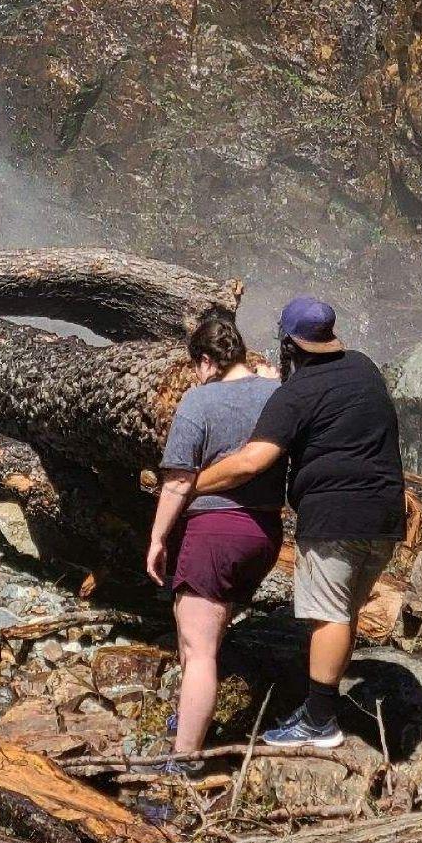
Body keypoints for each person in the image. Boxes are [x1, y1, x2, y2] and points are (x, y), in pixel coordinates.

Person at [194, 295, 403, 749]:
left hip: (335, 518)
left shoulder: (298, 392)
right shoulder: (364, 368)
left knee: (327, 616)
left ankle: (319, 722)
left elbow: (253, 460)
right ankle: (320, 707)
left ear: (290, 344)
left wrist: (193, 483)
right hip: (386, 516)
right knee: (343, 612)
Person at [145, 316, 284, 763]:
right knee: (213, 628)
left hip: (215, 531)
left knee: (198, 649)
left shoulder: (200, 402)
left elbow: (179, 482)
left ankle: (183, 760)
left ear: (206, 361)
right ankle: (190, 717)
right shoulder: (278, 394)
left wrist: (157, 538)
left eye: (196, 366)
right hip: (264, 534)